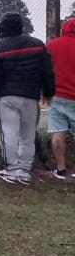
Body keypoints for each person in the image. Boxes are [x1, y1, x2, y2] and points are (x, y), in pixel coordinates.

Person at [0, 11, 54, 185]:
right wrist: (48, 92)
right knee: (27, 135)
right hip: (31, 96)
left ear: (1, 28)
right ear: (21, 26)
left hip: (5, 97)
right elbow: (47, 71)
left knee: (8, 133)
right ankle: (24, 171)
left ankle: (11, 170)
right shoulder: (38, 45)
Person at [45, 17, 75, 179]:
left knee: (57, 132)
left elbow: (45, 70)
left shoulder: (51, 46)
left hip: (56, 95)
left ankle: (61, 169)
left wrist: (46, 92)